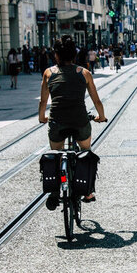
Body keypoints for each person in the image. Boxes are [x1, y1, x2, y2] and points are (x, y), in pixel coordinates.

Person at [39, 35, 107, 209]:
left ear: (57, 55)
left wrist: (42, 117)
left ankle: (55, 192)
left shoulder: (48, 73)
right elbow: (97, 101)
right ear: (74, 55)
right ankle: (88, 191)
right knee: (85, 152)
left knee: (55, 153)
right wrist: (101, 116)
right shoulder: (84, 73)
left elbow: (43, 101)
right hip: (79, 121)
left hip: (57, 123)